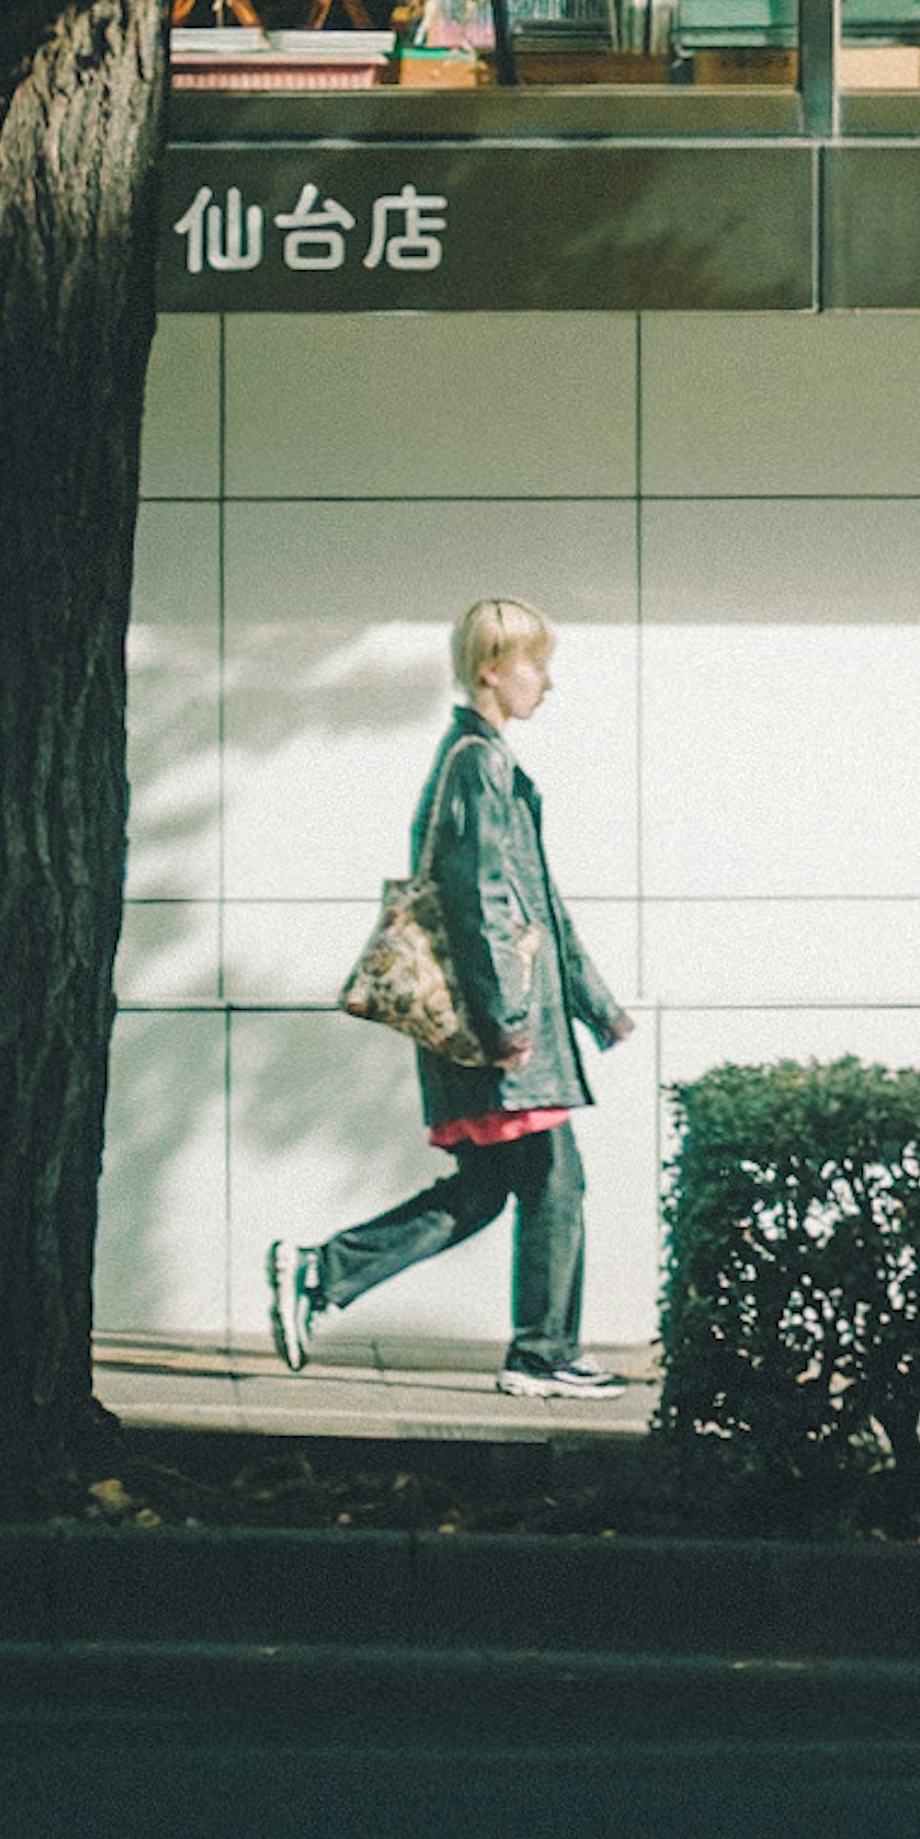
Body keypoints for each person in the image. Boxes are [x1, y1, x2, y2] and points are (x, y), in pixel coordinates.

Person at [269, 593, 633, 1401]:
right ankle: (541, 1356)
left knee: (483, 1190)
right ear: (492, 670)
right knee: (553, 1182)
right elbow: (480, 902)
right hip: (501, 1031)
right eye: (537, 664)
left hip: (503, 1025)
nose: (547, 681)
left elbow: (538, 902)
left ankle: (320, 1272)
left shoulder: (485, 761)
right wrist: (510, 1022)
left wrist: (594, 1003)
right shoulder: (478, 763)